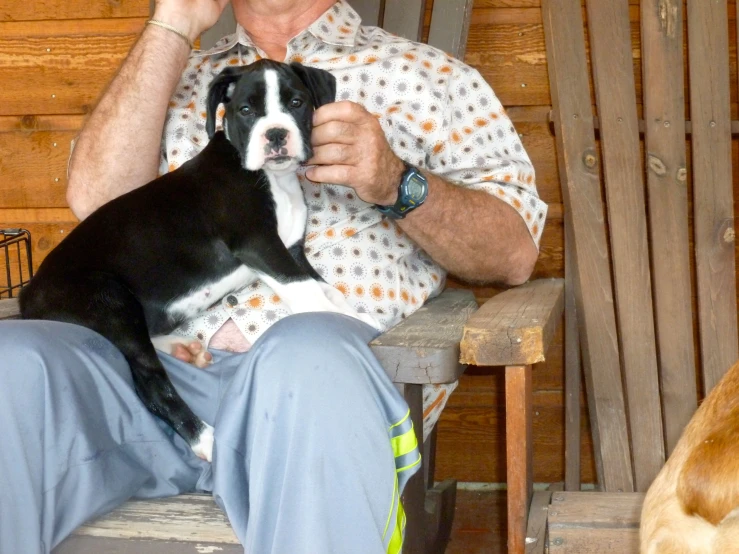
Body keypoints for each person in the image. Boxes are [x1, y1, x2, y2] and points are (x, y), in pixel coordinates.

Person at [0, 0, 546, 552]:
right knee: (8, 362)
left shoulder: (429, 76)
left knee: (308, 357)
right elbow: (95, 207)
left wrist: (396, 181)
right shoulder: (182, 77)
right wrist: (174, 22)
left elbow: (514, 251)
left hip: (309, 390)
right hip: (142, 371)